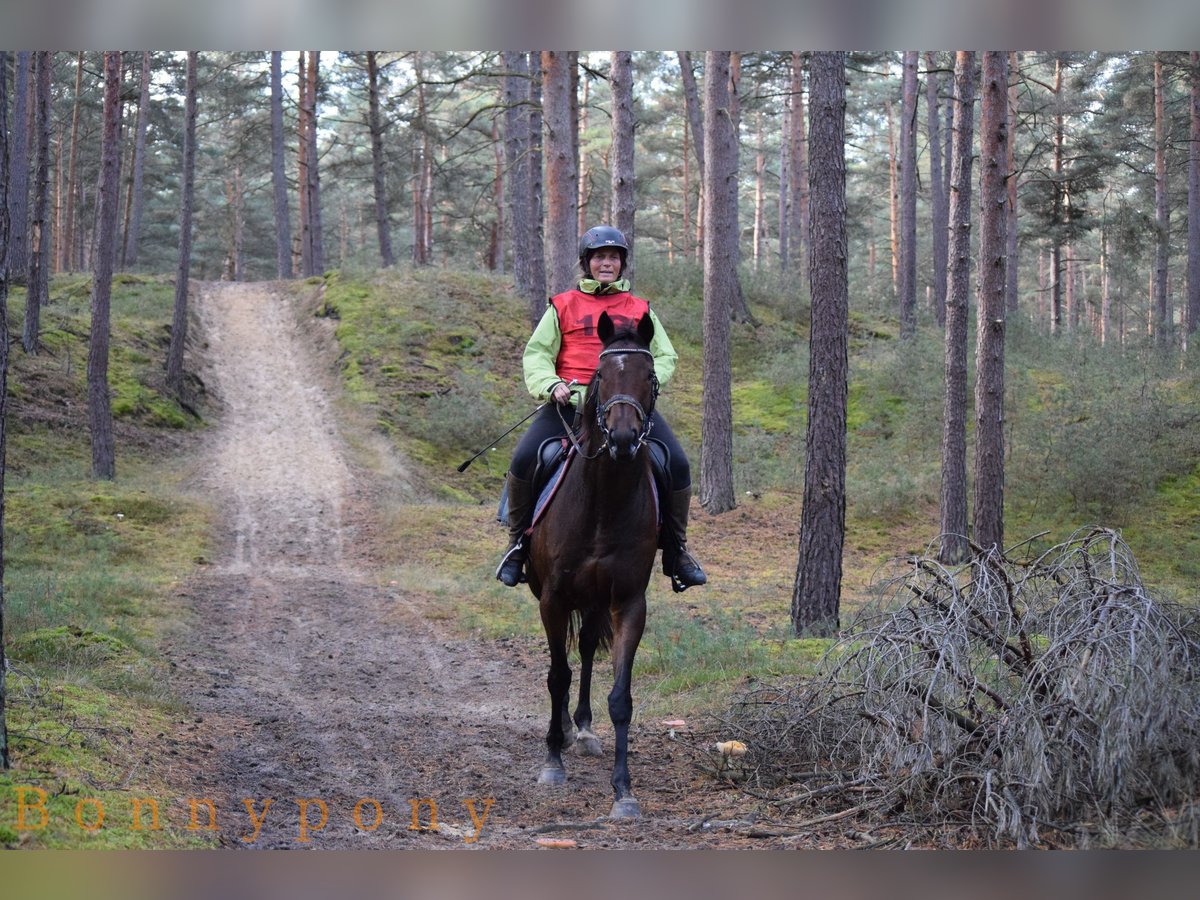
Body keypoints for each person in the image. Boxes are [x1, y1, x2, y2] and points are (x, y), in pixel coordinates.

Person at [496, 225, 707, 593]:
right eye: (599, 257)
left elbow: (665, 355)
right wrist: (552, 385)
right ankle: (517, 545)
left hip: (625, 408)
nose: (606, 263)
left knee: (677, 463)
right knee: (524, 458)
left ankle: (677, 551)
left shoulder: (640, 309)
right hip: (570, 405)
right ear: (587, 263)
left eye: (613, 257)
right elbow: (537, 355)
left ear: (622, 263)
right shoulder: (562, 305)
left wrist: (641, 388)